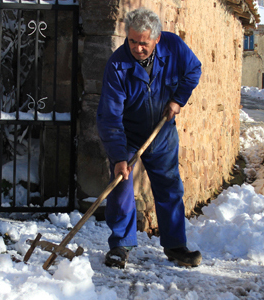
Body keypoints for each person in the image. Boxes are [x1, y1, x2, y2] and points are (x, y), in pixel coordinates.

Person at [96, 7, 202, 268]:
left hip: (162, 132)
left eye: (143, 43)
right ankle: (120, 245)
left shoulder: (174, 47)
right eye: (132, 41)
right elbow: (109, 116)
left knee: (169, 187)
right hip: (128, 135)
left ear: (156, 38)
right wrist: (120, 157)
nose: (137, 48)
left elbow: (193, 71)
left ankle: (176, 245)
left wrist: (178, 99)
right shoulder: (118, 65)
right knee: (121, 187)